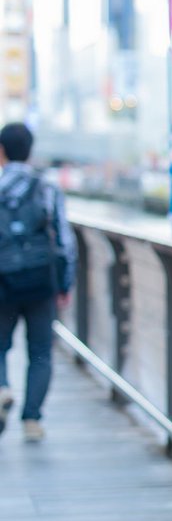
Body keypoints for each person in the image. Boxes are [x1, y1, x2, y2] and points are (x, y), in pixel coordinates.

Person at [0, 122, 77, 441]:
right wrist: (65, 283)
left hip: (2, 280)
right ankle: (32, 420)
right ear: (30, 150)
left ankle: (2, 388)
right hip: (41, 280)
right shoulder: (46, 188)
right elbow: (65, 242)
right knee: (41, 351)